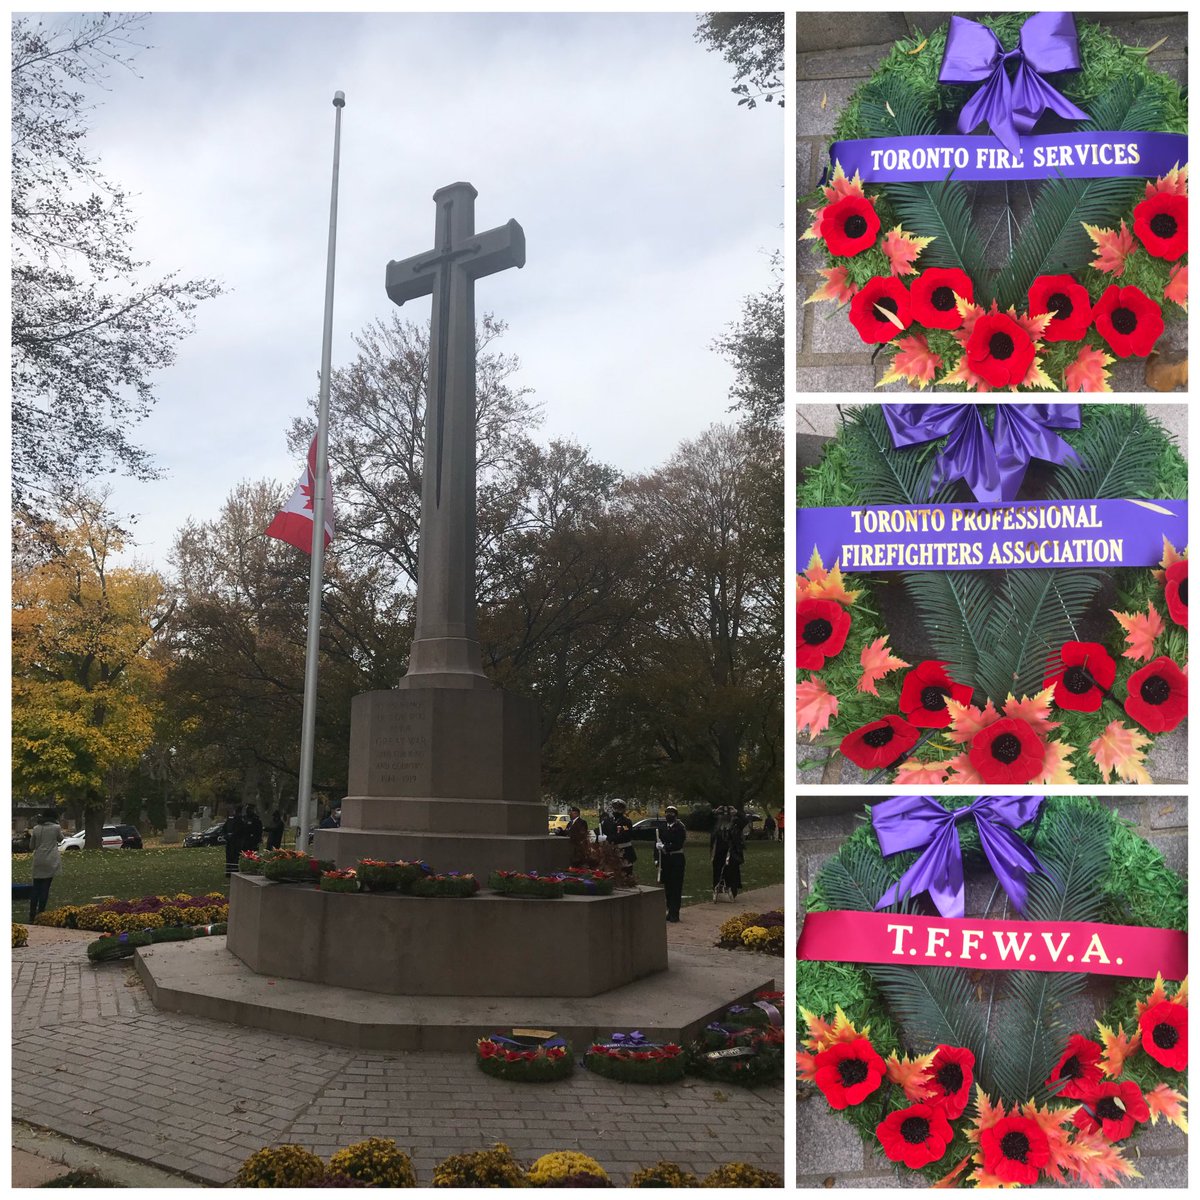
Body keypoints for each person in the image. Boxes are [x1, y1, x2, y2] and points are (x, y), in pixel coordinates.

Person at [28, 810, 63, 921]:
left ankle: (32, 914)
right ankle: (41, 913)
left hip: (38, 859)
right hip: (50, 860)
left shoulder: (36, 828)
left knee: (36, 887)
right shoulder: (56, 827)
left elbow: (31, 846)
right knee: (45, 887)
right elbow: (61, 839)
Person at [655, 804, 687, 922]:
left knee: (676, 887)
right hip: (665, 860)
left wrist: (665, 847)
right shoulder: (662, 828)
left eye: (672, 813)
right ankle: (669, 910)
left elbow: (678, 844)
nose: (669, 815)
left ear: (676, 815)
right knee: (667, 887)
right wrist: (656, 859)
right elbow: (656, 845)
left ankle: (675, 913)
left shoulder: (680, 828)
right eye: (667, 813)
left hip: (676, 859)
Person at [710, 805, 745, 900]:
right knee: (717, 870)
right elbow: (706, 819)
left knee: (731, 871)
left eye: (727, 813)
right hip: (718, 850)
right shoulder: (716, 824)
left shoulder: (736, 824)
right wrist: (715, 811)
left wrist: (737, 812)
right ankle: (717, 889)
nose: (725, 816)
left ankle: (731, 890)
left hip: (732, 851)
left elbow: (745, 820)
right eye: (723, 813)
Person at [599, 799, 636, 880]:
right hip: (611, 852)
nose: (616, 810)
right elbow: (600, 830)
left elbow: (625, 836)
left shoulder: (626, 822)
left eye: (619, 809)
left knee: (625, 874)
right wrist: (596, 836)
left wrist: (607, 838)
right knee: (611, 874)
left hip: (624, 852)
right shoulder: (607, 821)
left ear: (623, 810)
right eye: (615, 808)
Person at [222, 804, 245, 877]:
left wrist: (229, 835)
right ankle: (231, 872)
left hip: (233, 841)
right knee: (232, 856)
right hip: (233, 841)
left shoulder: (235, 819)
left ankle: (231, 872)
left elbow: (239, 830)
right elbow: (225, 828)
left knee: (232, 856)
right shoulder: (234, 819)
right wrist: (227, 835)